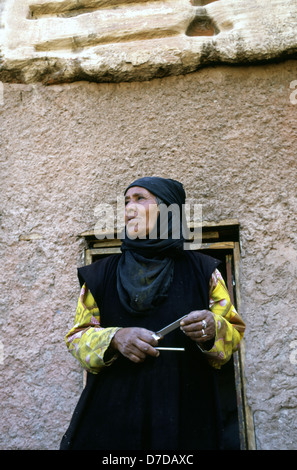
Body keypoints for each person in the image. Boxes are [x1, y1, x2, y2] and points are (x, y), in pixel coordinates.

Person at [60, 176, 245, 450]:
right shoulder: (100, 275)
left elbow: (233, 334)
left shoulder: (204, 272)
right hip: (112, 416)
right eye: (126, 201)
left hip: (186, 413)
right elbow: (77, 337)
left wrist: (211, 329)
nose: (129, 209)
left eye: (140, 199)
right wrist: (114, 338)